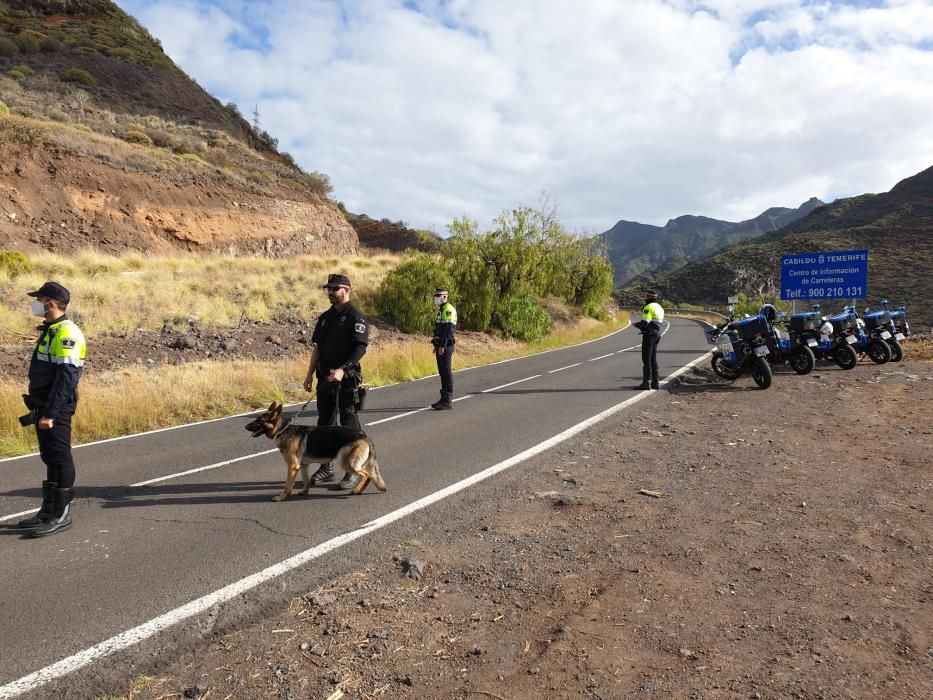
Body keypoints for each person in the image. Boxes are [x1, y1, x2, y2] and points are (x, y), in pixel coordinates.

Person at [15, 281, 86, 537]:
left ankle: (61, 514)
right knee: (49, 458)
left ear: (52, 304)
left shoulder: (68, 333)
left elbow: (67, 379)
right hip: (43, 404)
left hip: (55, 408)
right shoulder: (52, 329)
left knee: (60, 457)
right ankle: (48, 511)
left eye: (40, 300)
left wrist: (51, 413)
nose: (36, 304)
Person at [302, 274, 369, 489]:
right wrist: (309, 374)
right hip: (325, 378)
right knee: (325, 424)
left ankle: (354, 469)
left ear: (347, 290)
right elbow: (317, 348)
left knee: (349, 424)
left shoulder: (356, 317)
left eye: (335, 288)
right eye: (328, 289)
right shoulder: (325, 317)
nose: (330, 292)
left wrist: (343, 369)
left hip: (346, 379)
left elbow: (360, 348)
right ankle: (327, 466)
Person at [430, 288, 457, 410]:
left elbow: (448, 330)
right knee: (442, 372)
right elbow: (438, 330)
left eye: (438, 295)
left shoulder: (448, 309)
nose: (436, 298)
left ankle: (448, 400)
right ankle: (443, 398)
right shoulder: (440, 310)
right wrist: (436, 345)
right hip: (440, 346)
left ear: (445, 296)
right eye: (435, 295)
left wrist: (442, 345)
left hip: (446, 346)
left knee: (446, 371)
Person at [634, 290, 664, 390]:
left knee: (646, 359)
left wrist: (635, 325)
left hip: (649, 335)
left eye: (646, 296)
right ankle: (655, 383)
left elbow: (644, 323)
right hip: (657, 334)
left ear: (649, 297)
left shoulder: (648, 307)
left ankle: (645, 384)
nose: (645, 298)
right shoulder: (659, 307)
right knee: (653, 359)